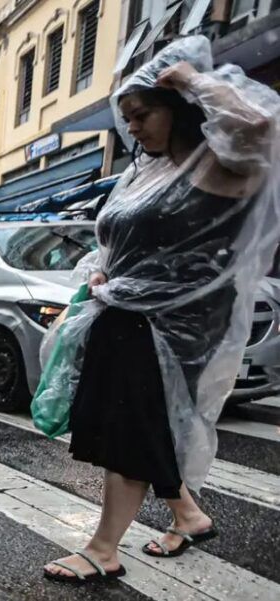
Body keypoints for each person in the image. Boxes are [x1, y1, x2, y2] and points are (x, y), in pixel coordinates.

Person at [41, 37, 280, 584]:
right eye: (126, 120)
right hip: (125, 315)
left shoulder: (221, 162)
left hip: (175, 324)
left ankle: (103, 549)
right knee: (142, 425)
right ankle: (188, 515)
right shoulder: (148, 170)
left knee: (132, 428)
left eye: (142, 114)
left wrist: (193, 79)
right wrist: (102, 274)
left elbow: (262, 128)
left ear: (178, 107)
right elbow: (117, 239)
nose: (134, 128)